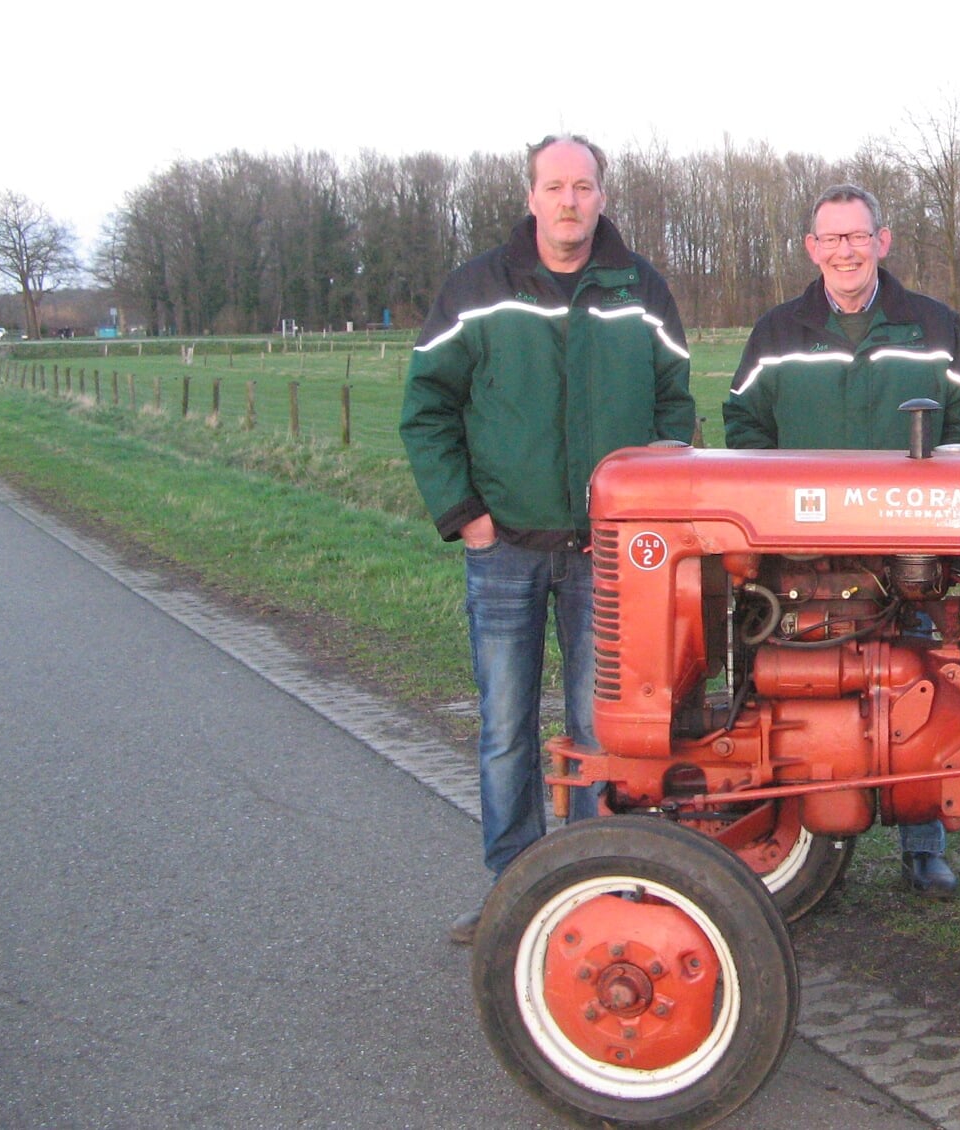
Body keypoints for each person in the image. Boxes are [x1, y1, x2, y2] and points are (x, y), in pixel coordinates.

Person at [400, 134, 696, 944]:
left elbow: (676, 408)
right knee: (505, 724)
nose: (570, 201)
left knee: (604, 729)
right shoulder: (478, 290)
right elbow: (426, 407)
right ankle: (513, 885)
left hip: (609, 558)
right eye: (555, 186)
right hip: (507, 549)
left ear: (603, 196)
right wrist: (465, 514)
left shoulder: (641, 290)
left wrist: (649, 516)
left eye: (585, 186)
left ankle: (600, 887)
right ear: (531, 196)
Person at [723, 184, 960, 896]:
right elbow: (743, 427)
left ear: (882, 241)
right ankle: (808, 843)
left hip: (907, 549)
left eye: (857, 236)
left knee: (921, 684)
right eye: (831, 239)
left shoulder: (933, 327)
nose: (845, 251)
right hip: (800, 553)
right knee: (795, 691)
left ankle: (923, 846)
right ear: (812, 249)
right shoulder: (778, 333)